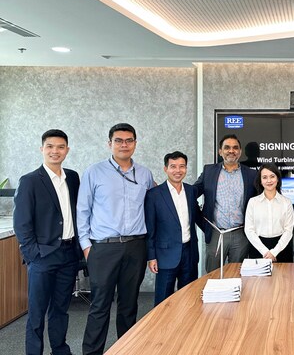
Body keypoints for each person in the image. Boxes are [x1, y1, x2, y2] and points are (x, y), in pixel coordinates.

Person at [77, 123, 154, 355]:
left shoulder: (145, 174)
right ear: (109, 143)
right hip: (103, 248)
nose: (124, 145)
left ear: (135, 144)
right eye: (118, 140)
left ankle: (126, 350)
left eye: (129, 140)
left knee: (129, 305)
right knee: (100, 305)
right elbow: (82, 210)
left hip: (136, 246)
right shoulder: (94, 172)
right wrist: (87, 247)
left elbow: (153, 207)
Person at [13, 129, 80, 355]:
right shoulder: (30, 181)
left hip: (69, 254)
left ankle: (60, 350)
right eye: (50, 146)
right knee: (37, 313)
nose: (55, 151)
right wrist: (33, 254)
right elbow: (21, 223)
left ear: (67, 150)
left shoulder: (73, 177)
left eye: (60, 147)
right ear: (42, 149)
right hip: (43, 256)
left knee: (60, 309)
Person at [145, 151, 204, 306]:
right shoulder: (154, 195)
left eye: (182, 166)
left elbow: (198, 216)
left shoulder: (191, 191)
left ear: (186, 168)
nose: (178, 170)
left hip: (189, 253)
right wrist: (151, 257)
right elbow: (150, 228)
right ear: (166, 169)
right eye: (173, 166)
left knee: (189, 298)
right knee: (163, 301)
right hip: (165, 255)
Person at [194, 134, 257, 272]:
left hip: (241, 234)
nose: (231, 151)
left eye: (235, 148)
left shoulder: (251, 174)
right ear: (220, 151)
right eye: (227, 147)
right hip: (216, 233)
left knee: (237, 274)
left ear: (240, 151)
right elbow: (192, 194)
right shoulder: (209, 171)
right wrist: (203, 222)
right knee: (213, 275)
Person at [245, 163, 294, 262]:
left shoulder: (287, 202)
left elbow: (288, 230)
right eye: (264, 177)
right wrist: (265, 252)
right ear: (260, 181)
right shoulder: (253, 202)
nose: (269, 180)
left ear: (277, 179)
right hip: (258, 248)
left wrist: (274, 252)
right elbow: (249, 230)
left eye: (272, 176)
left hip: (282, 248)